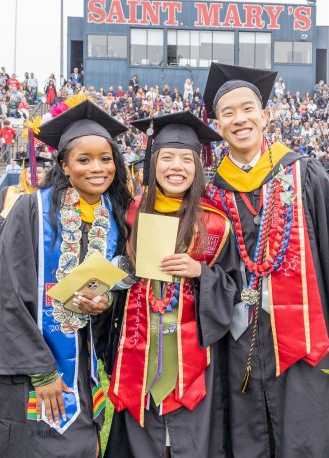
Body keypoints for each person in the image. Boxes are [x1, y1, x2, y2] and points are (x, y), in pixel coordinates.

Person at [201, 63, 329, 457]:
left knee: (307, 432)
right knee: (245, 434)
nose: (240, 120)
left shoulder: (303, 173)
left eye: (247, 109)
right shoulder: (211, 192)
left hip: (304, 334)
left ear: (265, 116)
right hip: (237, 341)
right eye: (228, 113)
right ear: (218, 126)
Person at [0, 98, 132, 457]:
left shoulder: (114, 216)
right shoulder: (32, 211)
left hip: (80, 361)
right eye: (84, 159)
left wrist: (104, 302)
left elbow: (114, 285)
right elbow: (2, 294)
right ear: (63, 164)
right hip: (26, 366)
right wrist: (41, 371)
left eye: (106, 159)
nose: (98, 168)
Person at [105, 111, 238, 457]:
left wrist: (201, 273)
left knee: (189, 438)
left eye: (185, 159)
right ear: (153, 163)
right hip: (138, 345)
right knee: (140, 434)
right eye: (166, 157)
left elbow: (233, 286)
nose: (175, 167)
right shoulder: (129, 213)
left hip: (194, 356)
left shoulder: (215, 222)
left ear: (197, 165)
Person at [0, 152, 52, 258]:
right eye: (30, 172)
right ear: (24, 174)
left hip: (39, 251)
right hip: (8, 248)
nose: (35, 175)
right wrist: (14, 229)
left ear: (45, 174)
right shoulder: (9, 192)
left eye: (39, 172)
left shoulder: (48, 196)